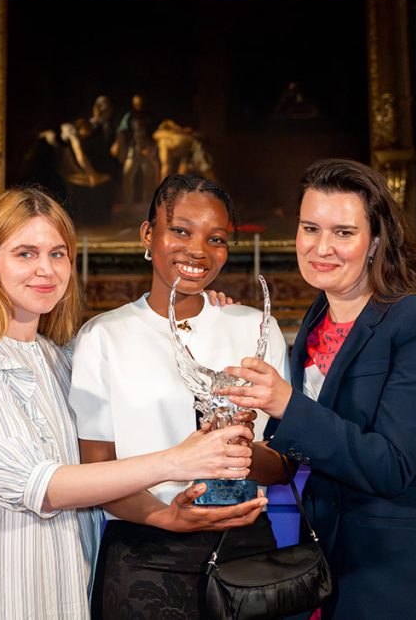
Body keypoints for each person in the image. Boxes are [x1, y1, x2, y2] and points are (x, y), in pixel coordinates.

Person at [0, 187, 256, 619]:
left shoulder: (58, 359)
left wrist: (208, 310)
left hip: (65, 588)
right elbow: (41, 487)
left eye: (58, 254)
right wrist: (176, 461)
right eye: (25, 254)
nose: (45, 269)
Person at [223, 159, 416, 619]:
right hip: (331, 551)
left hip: (404, 564)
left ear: (376, 242)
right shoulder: (316, 320)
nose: (321, 247)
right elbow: (311, 448)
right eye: (310, 228)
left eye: (343, 233)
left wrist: (288, 405)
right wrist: (236, 449)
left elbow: (392, 466)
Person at [69, 174, 289, 619]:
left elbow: (283, 465)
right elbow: (96, 470)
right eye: (181, 231)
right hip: (145, 553)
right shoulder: (103, 337)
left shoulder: (253, 327)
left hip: (244, 549)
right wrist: (164, 515)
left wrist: (237, 448)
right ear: (148, 234)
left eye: (216, 238)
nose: (198, 250)